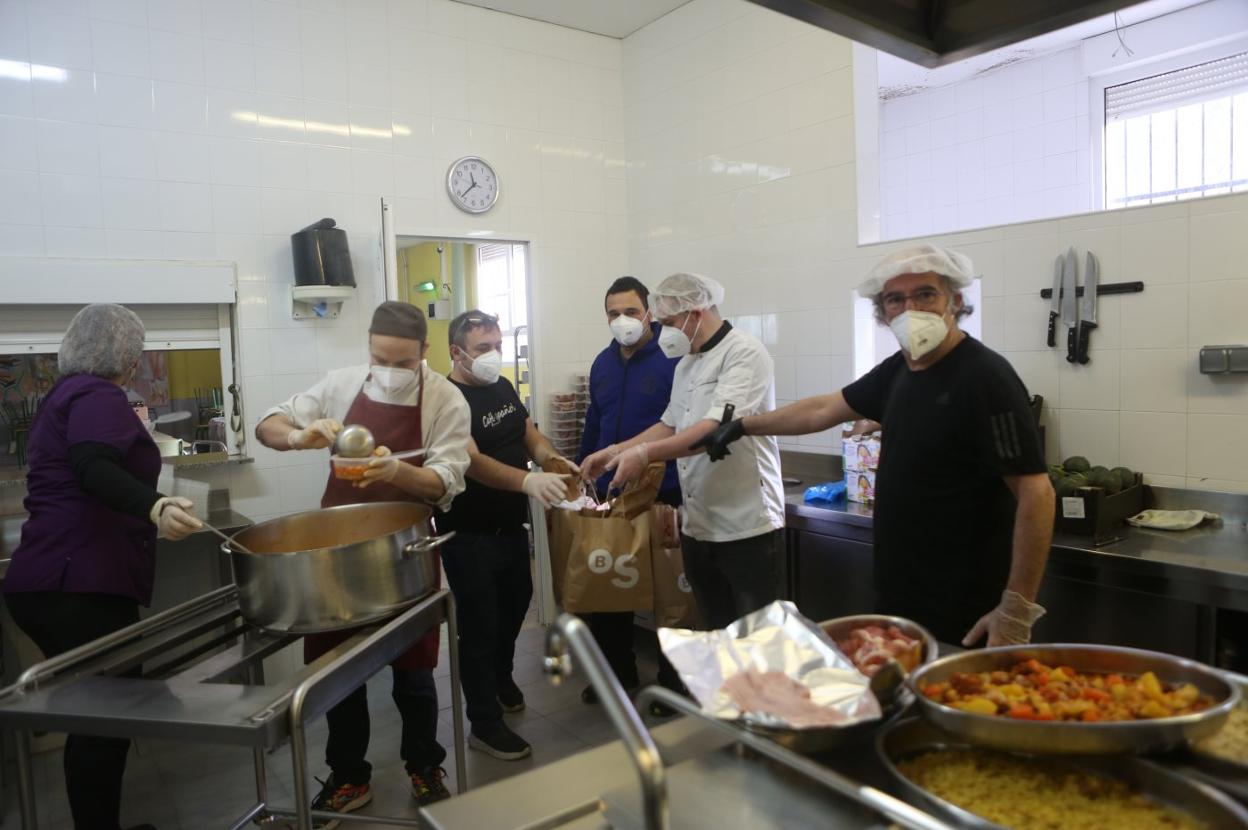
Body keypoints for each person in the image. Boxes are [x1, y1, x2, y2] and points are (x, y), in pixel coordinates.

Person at [696, 245, 1054, 647]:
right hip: (903, 591)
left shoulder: (984, 376)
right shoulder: (900, 370)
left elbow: (1036, 492)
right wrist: (744, 425)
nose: (909, 307)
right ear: (882, 313)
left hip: (966, 601)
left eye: (925, 294)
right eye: (895, 299)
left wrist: (1016, 608)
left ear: (954, 301)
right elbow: (823, 409)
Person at [256, 301, 471, 823]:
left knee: (414, 673)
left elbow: (446, 481)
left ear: (424, 352)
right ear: (369, 350)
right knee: (338, 673)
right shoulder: (342, 384)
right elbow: (267, 424)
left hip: (405, 548)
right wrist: (296, 436)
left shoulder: (445, 399)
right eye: (381, 359)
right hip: (340, 549)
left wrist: (393, 471)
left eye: (402, 362)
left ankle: (424, 765)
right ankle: (349, 776)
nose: (390, 372)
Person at [4, 303, 203, 830]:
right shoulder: (97, 393)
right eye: (135, 353)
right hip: (76, 583)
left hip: (49, 581)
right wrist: (154, 506)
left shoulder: (63, 394)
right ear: (123, 354)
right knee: (105, 719)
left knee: (100, 715)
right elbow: (93, 467)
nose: (136, 363)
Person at [581, 273, 786, 630]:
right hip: (698, 524)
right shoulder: (688, 363)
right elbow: (670, 424)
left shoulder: (744, 353)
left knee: (755, 639)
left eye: (670, 323)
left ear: (697, 311)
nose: (666, 332)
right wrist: (614, 451)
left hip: (746, 526)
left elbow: (713, 430)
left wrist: (643, 455)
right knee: (714, 629)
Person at [437, 310, 578, 761]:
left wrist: (550, 459)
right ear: (456, 352)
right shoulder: (443, 398)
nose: (492, 355)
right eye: (482, 348)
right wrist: (527, 482)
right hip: (468, 532)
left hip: (510, 527)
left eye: (496, 344)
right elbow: (472, 459)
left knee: (516, 606)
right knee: (478, 628)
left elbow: (526, 431)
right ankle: (484, 723)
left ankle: (500, 677)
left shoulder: (500, 386)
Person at [578, 277, 684, 713]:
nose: (622, 321)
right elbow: (595, 422)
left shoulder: (674, 358)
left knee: (669, 596)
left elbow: (681, 425)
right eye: (613, 314)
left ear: (650, 313)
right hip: (611, 496)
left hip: (667, 492)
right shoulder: (603, 364)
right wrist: (584, 473)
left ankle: (674, 682)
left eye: (631, 312)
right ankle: (616, 672)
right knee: (608, 590)